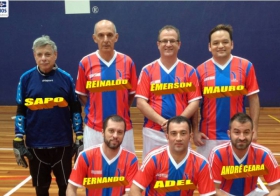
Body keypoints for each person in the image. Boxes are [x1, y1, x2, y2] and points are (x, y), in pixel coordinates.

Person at [13, 35, 83, 196]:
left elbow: (75, 109)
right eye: (40, 54)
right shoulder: (26, 79)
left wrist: (79, 136)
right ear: (34, 56)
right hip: (36, 143)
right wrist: (18, 139)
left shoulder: (66, 78)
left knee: (64, 185)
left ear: (55, 55)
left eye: (47, 54)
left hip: (62, 143)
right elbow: (20, 111)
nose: (44, 58)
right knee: (41, 185)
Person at [209, 113, 280, 196]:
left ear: (252, 133)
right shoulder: (218, 153)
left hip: (250, 194)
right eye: (237, 132)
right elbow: (215, 190)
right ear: (229, 133)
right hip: (225, 195)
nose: (241, 137)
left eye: (246, 132)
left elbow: (277, 189)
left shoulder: (264, 153)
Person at [193, 24, 260, 159]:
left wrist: (254, 129)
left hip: (238, 135)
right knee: (208, 178)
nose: (221, 46)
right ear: (209, 47)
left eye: (225, 42)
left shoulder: (246, 66)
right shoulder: (200, 70)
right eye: (216, 43)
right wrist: (195, 131)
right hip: (208, 136)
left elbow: (253, 99)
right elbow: (194, 104)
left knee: (236, 176)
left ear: (232, 44)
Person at [136, 25, 201, 159]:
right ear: (158, 44)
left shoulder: (189, 71)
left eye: (172, 41)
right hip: (153, 132)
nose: (168, 44)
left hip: (181, 133)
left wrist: (177, 124)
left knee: (181, 171)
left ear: (179, 44)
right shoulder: (147, 70)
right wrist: (163, 122)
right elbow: (141, 103)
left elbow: (194, 102)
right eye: (164, 41)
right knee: (153, 171)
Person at [75, 19, 137, 152]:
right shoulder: (85, 62)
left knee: (125, 169)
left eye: (109, 35)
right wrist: (96, 109)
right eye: (101, 35)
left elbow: (130, 96)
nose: (105, 39)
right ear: (94, 38)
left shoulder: (128, 62)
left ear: (116, 37)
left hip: (123, 128)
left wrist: (120, 108)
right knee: (93, 171)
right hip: (94, 128)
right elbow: (82, 95)